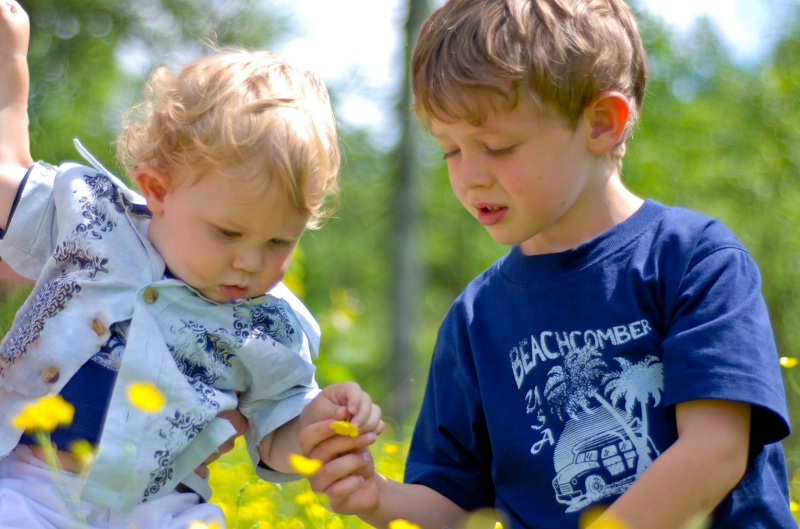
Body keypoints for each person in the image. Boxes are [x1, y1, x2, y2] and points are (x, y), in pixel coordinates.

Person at [300, 0, 795, 528]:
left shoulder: (694, 260)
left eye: (497, 146)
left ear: (601, 124)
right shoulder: (476, 319)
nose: (469, 178)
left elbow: (715, 452)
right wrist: (376, 497)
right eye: (450, 151)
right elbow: (453, 505)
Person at [0, 2, 382, 528]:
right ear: (158, 189)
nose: (250, 262)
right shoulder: (92, 219)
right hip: (35, 480)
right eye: (228, 233)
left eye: (278, 241)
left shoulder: (268, 325)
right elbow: (6, 179)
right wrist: (11, 62)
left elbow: (275, 438)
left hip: (162, 505)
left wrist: (319, 423)